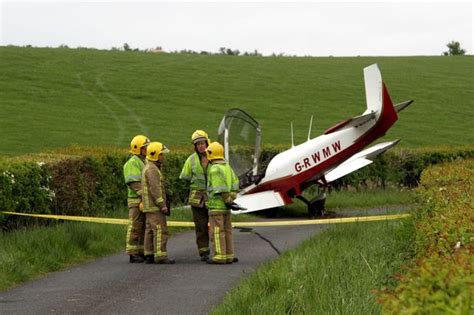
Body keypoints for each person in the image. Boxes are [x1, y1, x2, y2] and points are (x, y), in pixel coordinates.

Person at [205, 141, 240, 264]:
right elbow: (236, 183)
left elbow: (220, 188)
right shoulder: (227, 167)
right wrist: (232, 198)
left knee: (217, 232)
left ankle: (219, 256)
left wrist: (227, 199)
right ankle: (229, 255)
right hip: (226, 208)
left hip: (216, 206)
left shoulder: (215, 169)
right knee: (228, 231)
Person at [179, 130, 211, 261]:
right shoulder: (191, 160)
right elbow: (184, 177)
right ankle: (204, 252)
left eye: (202, 143)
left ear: (207, 142)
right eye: (198, 144)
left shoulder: (215, 156)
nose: (201, 146)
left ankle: (220, 251)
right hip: (197, 199)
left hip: (212, 197)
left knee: (216, 226)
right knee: (201, 226)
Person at [142, 141, 175, 264]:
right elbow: (155, 189)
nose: (163, 157)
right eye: (161, 154)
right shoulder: (152, 169)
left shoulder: (149, 167)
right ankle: (161, 256)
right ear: (155, 155)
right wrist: (162, 205)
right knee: (160, 229)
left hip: (149, 205)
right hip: (154, 206)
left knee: (150, 230)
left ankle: (149, 254)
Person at [123, 135, 150, 263]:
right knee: (135, 225)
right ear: (138, 149)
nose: (147, 150)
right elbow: (134, 182)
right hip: (136, 200)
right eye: (145, 148)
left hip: (143, 199)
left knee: (143, 226)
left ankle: (141, 251)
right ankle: (133, 253)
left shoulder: (144, 161)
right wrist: (143, 195)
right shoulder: (133, 162)